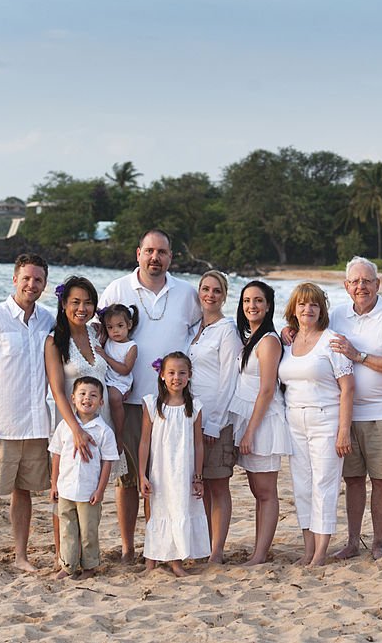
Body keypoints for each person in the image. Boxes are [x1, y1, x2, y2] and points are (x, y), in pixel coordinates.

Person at [0, 253, 92, 573]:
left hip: (37, 425)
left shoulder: (49, 320)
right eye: (26, 278)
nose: (31, 284)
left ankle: (21, 557)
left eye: (38, 280)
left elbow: (78, 337)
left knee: (25, 492)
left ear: (45, 284)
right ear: (14, 279)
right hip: (0, 424)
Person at [99, 229, 203, 563]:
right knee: (129, 479)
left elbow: (208, 328)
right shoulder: (117, 289)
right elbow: (94, 332)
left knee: (166, 480)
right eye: (149, 251)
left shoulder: (187, 293)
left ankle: (161, 547)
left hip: (172, 405)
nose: (155, 257)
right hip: (129, 402)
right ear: (138, 253)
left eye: (161, 252)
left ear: (170, 257)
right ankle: (130, 547)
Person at [327, 257, 382, 561]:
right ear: (346, 286)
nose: (361, 286)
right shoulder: (336, 315)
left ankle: (377, 542)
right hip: (346, 413)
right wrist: (289, 333)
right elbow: (310, 333)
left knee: (380, 480)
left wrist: (359, 355)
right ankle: (351, 541)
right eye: (355, 281)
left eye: (367, 281)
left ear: (378, 284)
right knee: (352, 480)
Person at [45, 276, 129, 564]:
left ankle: (87, 557)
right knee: (67, 492)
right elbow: (57, 391)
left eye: (88, 302)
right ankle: (64, 559)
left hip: (100, 422)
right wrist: (76, 430)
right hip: (71, 425)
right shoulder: (55, 340)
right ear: (64, 304)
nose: (82, 308)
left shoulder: (96, 334)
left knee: (92, 493)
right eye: (76, 302)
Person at [279, 283, 355, 567]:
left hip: (326, 420)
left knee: (324, 485)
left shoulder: (332, 341)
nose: (307, 309)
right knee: (302, 486)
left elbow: (347, 388)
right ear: (294, 309)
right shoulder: (289, 341)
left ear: (322, 310)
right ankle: (308, 549)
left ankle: (321, 553)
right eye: (302, 304)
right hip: (294, 421)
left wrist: (343, 430)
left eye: (313, 305)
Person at [227, 280, 292, 566]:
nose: (251, 306)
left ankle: (260, 554)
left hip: (263, 423)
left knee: (266, 492)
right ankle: (258, 550)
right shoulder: (251, 338)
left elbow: (267, 389)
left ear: (268, 306)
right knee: (257, 491)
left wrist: (250, 432)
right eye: (246, 301)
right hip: (249, 418)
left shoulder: (269, 341)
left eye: (258, 301)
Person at [138, 352, 210, 576]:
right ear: (161, 375)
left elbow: (198, 444)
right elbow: (144, 441)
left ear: (190, 376)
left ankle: (176, 561)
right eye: (171, 372)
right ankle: (151, 560)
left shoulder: (194, 406)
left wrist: (198, 476)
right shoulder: (152, 404)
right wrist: (142, 474)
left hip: (183, 471)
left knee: (179, 508)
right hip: (160, 471)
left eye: (181, 373)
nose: (176, 377)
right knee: (158, 511)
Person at [188, 270, 242, 564]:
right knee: (200, 485)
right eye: (205, 289)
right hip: (190, 419)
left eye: (216, 291)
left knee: (218, 484)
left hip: (215, 420)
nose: (210, 295)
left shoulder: (227, 330)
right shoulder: (193, 329)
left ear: (224, 296)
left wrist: (215, 422)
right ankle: (204, 544)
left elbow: (228, 380)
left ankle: (217, 550)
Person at [48, 376, 120, 580]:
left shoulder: (104, 431)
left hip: (89, 492)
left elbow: (108, 462)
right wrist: (54, 484)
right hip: (66, 489)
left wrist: (100, 489)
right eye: (82, 393)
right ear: (72, 398)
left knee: (88, 532)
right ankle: (68, 566)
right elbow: (56, 455)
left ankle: (89, 566)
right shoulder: (65, 427)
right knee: (67, 529)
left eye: (93, 395)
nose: (87, 398)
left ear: (101, 402)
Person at [98, 303, 139, 425]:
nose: (115, 331)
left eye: (120, 326)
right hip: (107, 377)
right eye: (110, 327)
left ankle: (119, 433)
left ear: (129, 325)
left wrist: (106, 357)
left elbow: (125, 370)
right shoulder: (108, 340)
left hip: (120, 380)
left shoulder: (131, 347)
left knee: (114, 399)